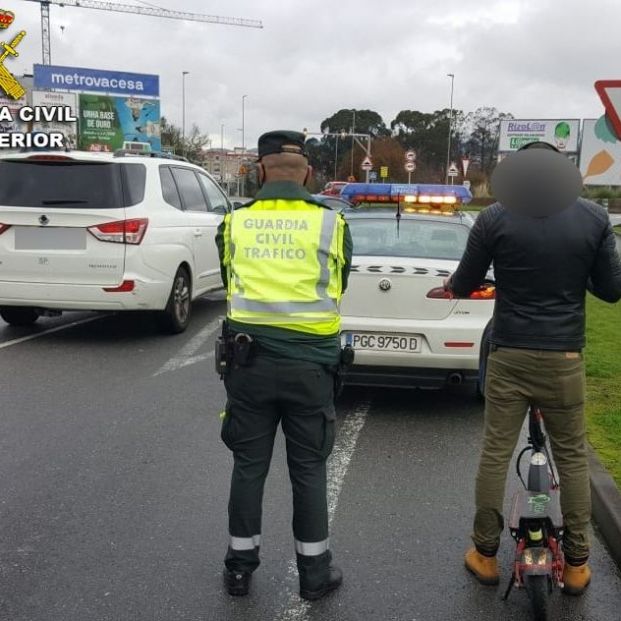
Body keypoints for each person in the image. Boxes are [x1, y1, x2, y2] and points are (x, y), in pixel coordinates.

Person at [445, 141, 621, 595]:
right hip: (564, 356)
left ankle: (485, 553)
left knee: (495, 454)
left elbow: (465, 282)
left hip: (509, 355)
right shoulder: (594, 218)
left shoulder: (494, 217)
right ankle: (578, 563)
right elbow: (611, 290)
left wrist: (453, 285)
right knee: (573, 457)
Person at [215, 130, 353, 600]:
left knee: (248, 467)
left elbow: (228, 278)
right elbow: (340, 282)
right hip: (311, 368)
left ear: (258, 171)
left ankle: (239, 569)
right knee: (309, 470)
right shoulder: (331, 223)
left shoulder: (235, 221)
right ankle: (315, 577)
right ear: (310, 174)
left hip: (247, 365)